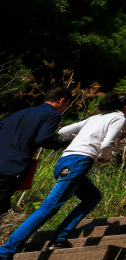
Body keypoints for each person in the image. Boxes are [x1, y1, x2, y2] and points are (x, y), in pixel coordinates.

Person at [0, 93, 126, 260]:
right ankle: (6, 251)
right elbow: (106, 144)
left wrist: (77, 140)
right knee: (47, 208)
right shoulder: (118, 118)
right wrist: (106, 158)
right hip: (78, 163)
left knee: (92, 197)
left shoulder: (96, 117)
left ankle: (59, 238)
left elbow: (63, 132)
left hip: (63, 161)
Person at [0, 87, 72, 216]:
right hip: (12, 166)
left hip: (3, 161)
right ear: (62, 100)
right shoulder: (53, 115)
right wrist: (64, 144)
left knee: (4, 205)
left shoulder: (20, 113)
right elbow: (43, 139)